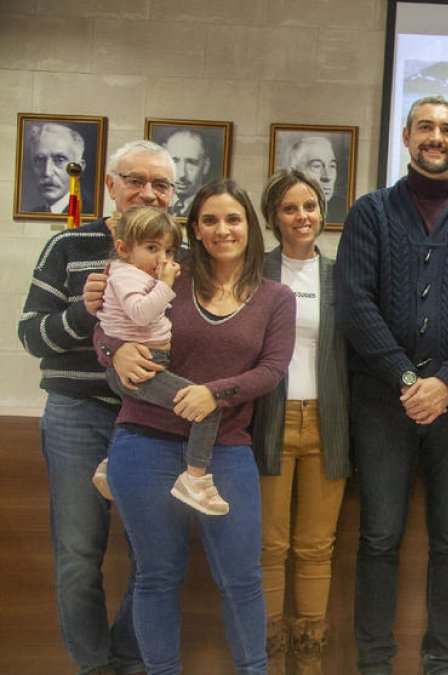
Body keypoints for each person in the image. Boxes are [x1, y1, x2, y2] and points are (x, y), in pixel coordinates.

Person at [336, 94, 448, 675]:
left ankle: (442, 662)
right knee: (380, 537)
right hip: (382, 402)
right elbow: (354, 304)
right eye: (427, 128)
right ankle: (375, 663)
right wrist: (410, 379)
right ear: (406, 137)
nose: (438, 138)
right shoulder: (370, 214)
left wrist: (446, 384)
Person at [99, 179, 296, 674]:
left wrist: (215, 392)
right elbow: (109, 327)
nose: (222, 229)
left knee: (242, 579)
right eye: (209, 219)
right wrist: (111, 350)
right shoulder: (166, 277)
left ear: (251, 227)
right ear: (194, 229)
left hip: (225, 450)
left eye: (233, 218)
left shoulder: (276, 297)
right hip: (145, 440)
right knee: (156, 576)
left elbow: (271, 370)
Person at [18, 138, 177, 674]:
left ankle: (129, 661)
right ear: (111, 186)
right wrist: (82, 316)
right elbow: (31, 336)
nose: (148, 193)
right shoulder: (68, 246)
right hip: (77, 415)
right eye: (136, 180)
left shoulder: (179, 255)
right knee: (78, 558)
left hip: (152, 419)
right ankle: (93, 666)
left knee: (152, 556)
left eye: (161, 185)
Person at [253, 169, 352, 675]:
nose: (302, 217)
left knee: (316, 550)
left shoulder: (342, 274)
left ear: (323, 212)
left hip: (328, 424)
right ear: (274, 216)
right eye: (290, 208)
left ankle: (308, 666)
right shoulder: (255, 270)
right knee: (269, 548)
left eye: (310, 206)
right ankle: (268, 664)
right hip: (268, 422)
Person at [92, 205, 229, 516]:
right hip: (141, 363)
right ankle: (194, 480)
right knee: (204, 409)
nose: (163, 259)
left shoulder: (134, 273)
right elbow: (141, 312)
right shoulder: (127, 275)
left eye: (168, 250)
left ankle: (110, 464)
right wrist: (165, 285)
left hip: (148, 360)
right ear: (123, 248)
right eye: (152, 248)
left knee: (145, 408)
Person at [25, 121, 87, 213]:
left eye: (60, 160)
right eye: (40, 160)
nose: (47, 172)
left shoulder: (89, 212)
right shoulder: (34, 213)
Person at [164, 129, 212, 217]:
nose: (182, 174)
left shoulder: (212, 207)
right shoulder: (152, 206)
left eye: (191, 162)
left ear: (206, 166)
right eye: (174, 161)